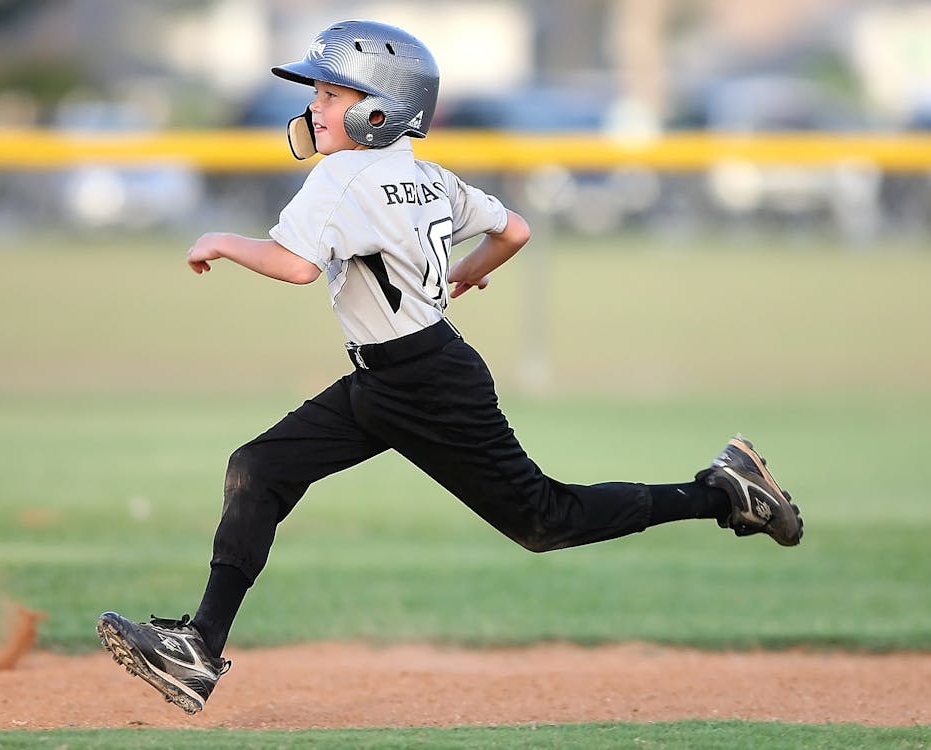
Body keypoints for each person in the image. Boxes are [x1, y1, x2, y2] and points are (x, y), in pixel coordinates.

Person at [96, 19, 803, 715]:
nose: (314, 104)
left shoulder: (341, 176)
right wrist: (462, 273)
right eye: (317, 91)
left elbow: (295, 267)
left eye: (331, 93)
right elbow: (514, 229)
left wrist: (221, 238)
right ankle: (197, 646)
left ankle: (723, 492)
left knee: (543, 520)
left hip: (424, 385)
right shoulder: (424, 173)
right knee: (260, 467)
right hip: (399, 374)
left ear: (379, 109)